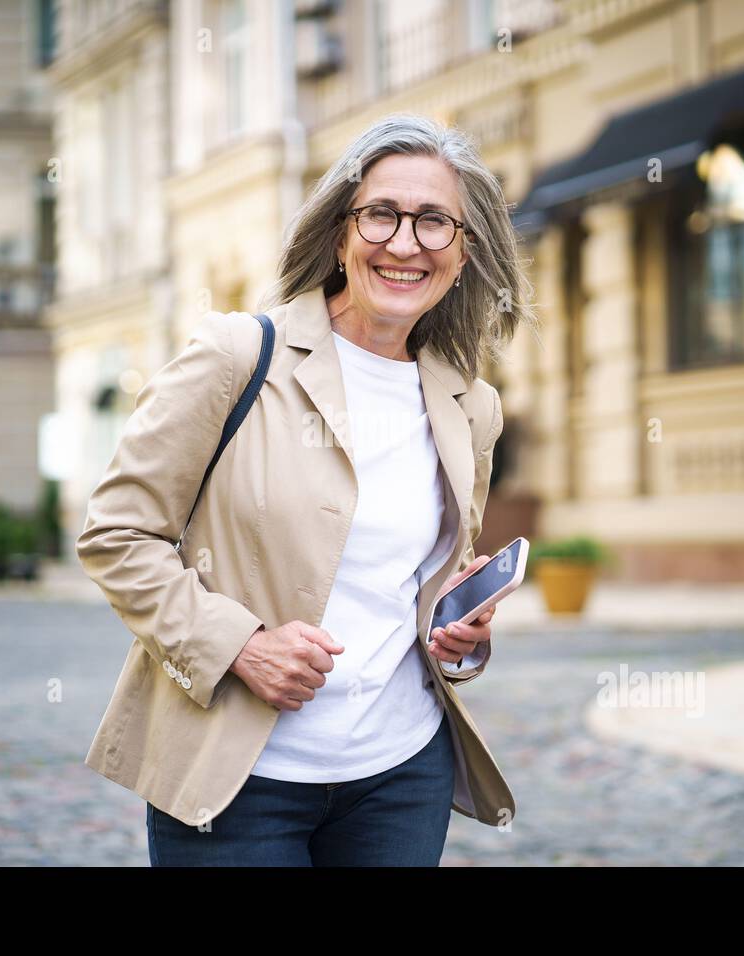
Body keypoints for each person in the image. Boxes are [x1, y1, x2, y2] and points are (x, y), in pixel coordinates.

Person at [76, 112, 537, 866]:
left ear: (464, 252)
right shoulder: (236, 356)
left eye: (433, 222)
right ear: (339, 232)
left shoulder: (469, 405)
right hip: (239, 782)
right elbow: (117, 535)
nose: (403, 243)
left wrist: (460, 640)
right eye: (381, 214)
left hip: (400, 776)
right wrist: (241, 646)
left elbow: (431, 579)